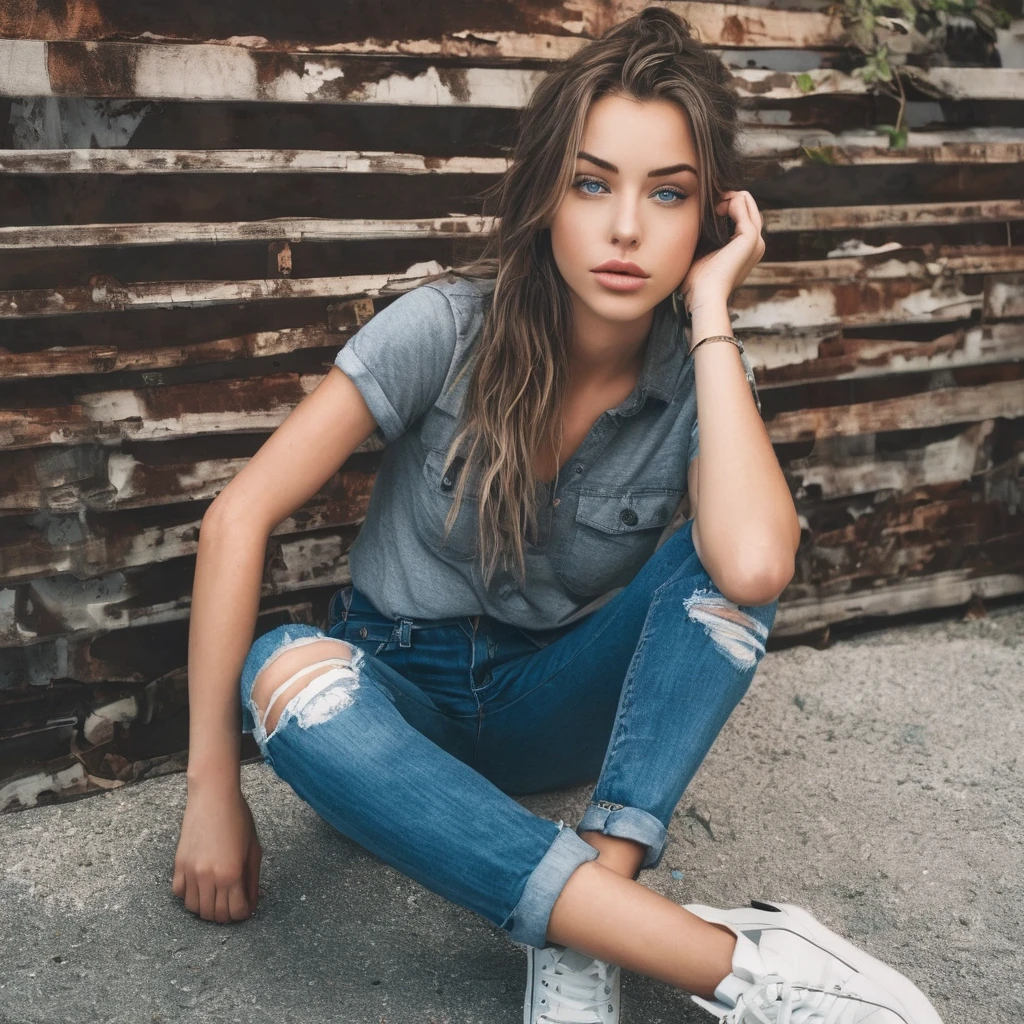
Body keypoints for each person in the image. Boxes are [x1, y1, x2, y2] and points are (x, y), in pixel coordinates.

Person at [172, 8, 944, 1023]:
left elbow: (753, 567)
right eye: (593, 183)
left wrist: (713, 312)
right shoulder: (445, 326)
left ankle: (596, 899)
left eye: (665, 195)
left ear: (708, 219)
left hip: (553, 705)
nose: (626, 229)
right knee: (285, 676)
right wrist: (210, 792)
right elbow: (238, 519)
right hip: (399, 694)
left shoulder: (697, 374)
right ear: (548, 194)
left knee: (722, 556)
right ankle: (712, 958)